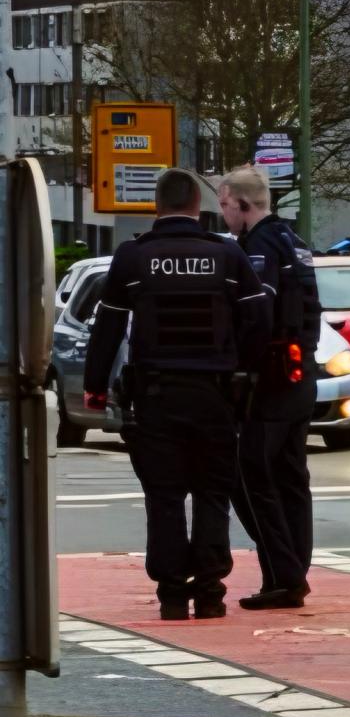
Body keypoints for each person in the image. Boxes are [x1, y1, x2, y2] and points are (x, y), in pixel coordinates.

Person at [80, 168, 269, 621]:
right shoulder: (226, 257)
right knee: (211, 493)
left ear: (156, 207)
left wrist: (94, 387)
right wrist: (247, 377)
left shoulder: (132, 258)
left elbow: (106, 329)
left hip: (156, 397)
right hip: (215, 397)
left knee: (164, 496)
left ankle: (170, 593)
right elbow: (257, 324)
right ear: (197, 207)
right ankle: (209, 592)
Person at [218, 166, 322, 609]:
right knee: (292, 477)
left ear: (243, 205)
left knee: (252, 476)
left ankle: (284, 576)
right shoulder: (294, 243)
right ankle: (295, 567)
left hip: (272, 377)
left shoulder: (258, 248)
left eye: (224, 205)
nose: (223, 215)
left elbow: (258, 314)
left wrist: (237, 366)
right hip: (301, 373)